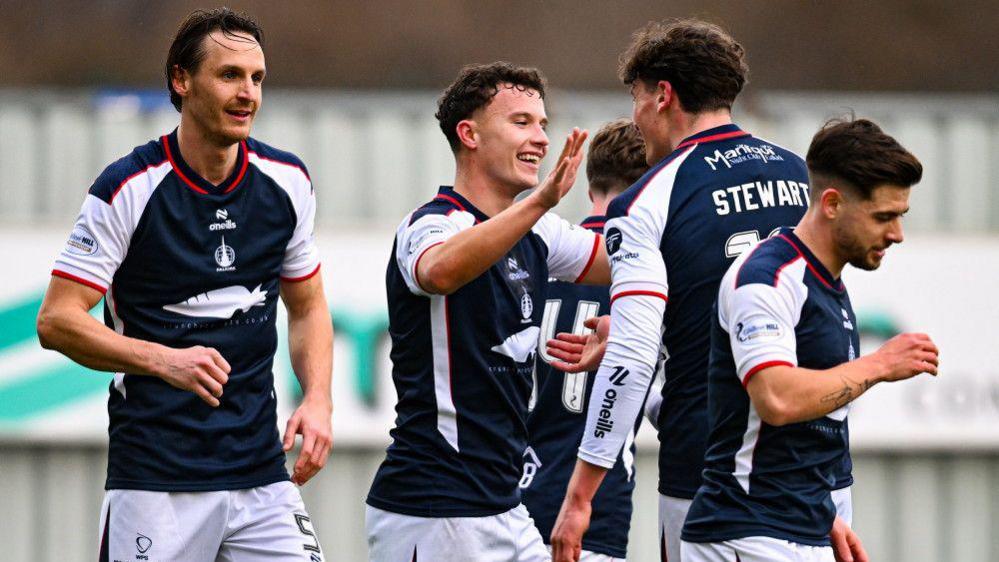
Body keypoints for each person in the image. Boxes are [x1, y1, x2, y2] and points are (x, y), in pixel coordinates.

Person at [35, 9, 333, 561]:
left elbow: (309, 304)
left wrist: (318, 399)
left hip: (260, 474)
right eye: (229, 75)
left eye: (257, 78)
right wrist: (164, 360)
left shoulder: (288, 181)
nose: (248, 93)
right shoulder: (127, 187)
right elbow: (57, 321)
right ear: (181, 79)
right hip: (155, 478)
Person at [547, 19, 817, 562]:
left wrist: (580, 496)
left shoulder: (646, 199)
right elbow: (820, 322)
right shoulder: (798, 176)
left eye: (636, 97)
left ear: (662, 95)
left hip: (705, 469)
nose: (635, 117)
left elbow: (632, 351)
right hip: (803, 469)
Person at [365, 62, 610, 562]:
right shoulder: (431, 223)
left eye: (543, 124)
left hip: (503, 506)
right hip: (435, 507)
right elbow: (438, 272)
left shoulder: (537, 233)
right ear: (469, 134)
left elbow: (628, 266)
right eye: (521, 122)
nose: (541, 139)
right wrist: (539, 203)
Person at [680, 118, 936, 561]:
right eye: (884, 216)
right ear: (832, 203)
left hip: (799, 528)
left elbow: (814, 431)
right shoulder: (767, 279)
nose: (896, 234)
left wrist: (823, 512)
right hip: (747, 532)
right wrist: (878, 365)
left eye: (900, 216)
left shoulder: (828, 283)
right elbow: (777, 399)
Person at [522, 119, 648, 562]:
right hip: (596, 507)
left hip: (510, 500)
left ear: (591, 185)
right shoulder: (648, 279)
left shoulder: (534, 256)